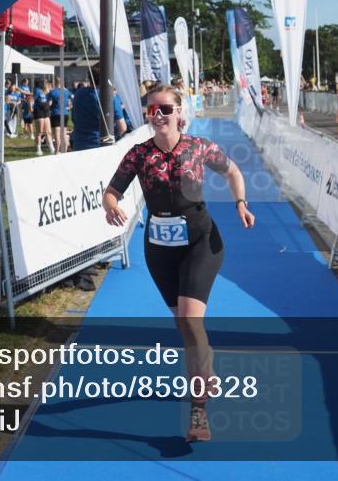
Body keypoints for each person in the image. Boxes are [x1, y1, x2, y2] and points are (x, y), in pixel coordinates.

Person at [102, 85, 255, 442]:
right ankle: (205, 359)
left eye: (165, 109)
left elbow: (233, 173)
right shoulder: (138, 154)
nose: (158, 114)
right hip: (160, 248)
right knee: (186, 328)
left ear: (180, 113)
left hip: (202, 242)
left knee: (189, 318)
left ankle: (198, 412)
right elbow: (112, 191)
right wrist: (111, 206)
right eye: (152, 108)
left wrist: (241, 204)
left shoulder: (199, 148)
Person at [71, 67, 125, 150]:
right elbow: (122, 127)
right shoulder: (111, 97)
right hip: (101, 146)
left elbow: (74, 118)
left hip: (80, 144)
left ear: (89, 77)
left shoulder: (78, 94)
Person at [48, 77, 72, 153]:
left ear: (54, 82)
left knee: (57, 135)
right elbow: (70, 103)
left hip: (56, 113)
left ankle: (57, 152)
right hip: (65, 113)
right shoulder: (67, 92)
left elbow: (49, 103)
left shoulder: (52, 92)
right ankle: (64, 151)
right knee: (64, 134)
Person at [33, 81, 55, 155]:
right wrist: (31, 109)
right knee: (39, 132)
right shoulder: (37, 90)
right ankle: (38, 149)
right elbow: (32, 99)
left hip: (46, 112)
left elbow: (50, 102)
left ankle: (52, 148)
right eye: (46, 83)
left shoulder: (48, 92)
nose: (48, 85)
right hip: (39, 112)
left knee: (48, 132)